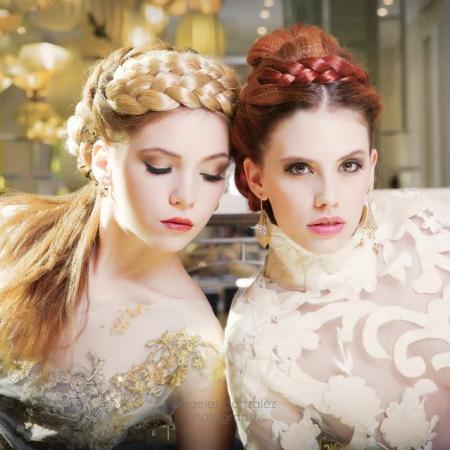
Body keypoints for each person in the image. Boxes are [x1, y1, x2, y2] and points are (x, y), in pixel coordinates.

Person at [0, 42, 240, 450]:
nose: (186, 196)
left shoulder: (195, 339)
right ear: (102, 162)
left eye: (212, 174)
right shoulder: (12, 230)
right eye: (159, 167)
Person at [224, 23, 450, 450]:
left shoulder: (431, 224)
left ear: (372, 166)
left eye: (349, 166)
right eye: (300, 168)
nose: (328, 197)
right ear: (256, 179)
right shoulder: (256, 339)